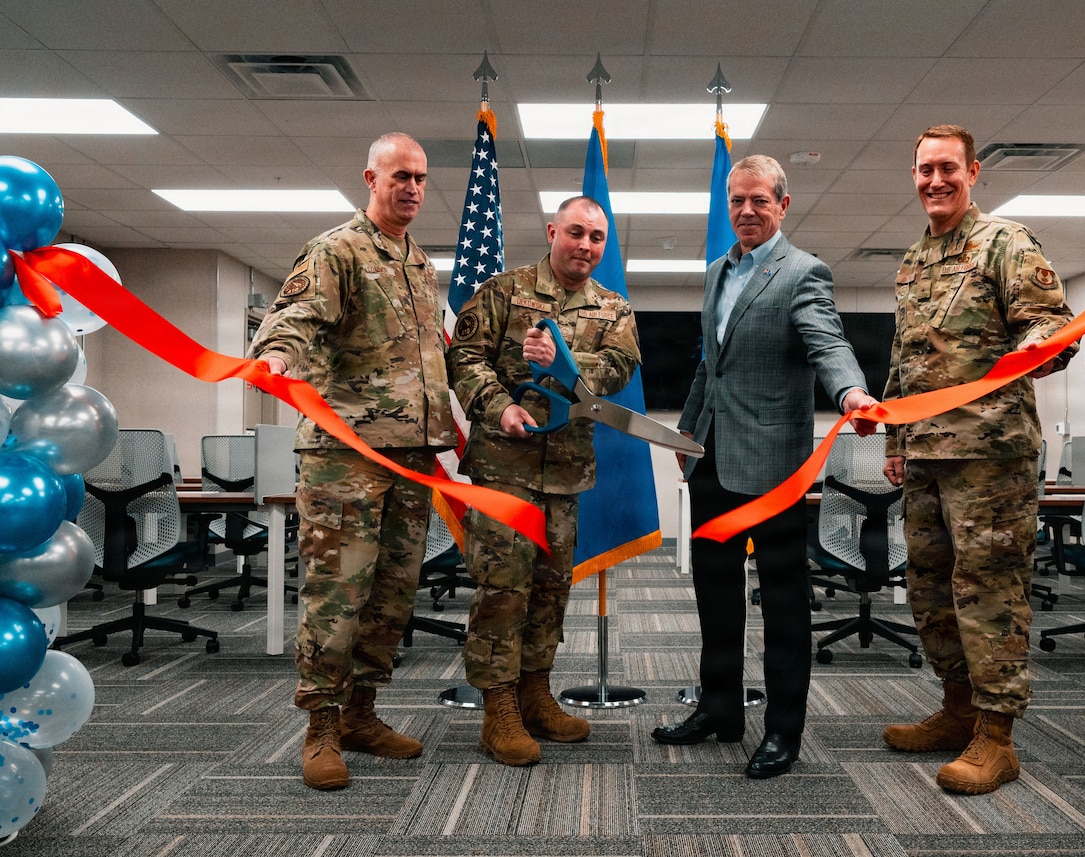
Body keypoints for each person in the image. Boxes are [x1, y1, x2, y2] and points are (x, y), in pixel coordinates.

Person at [651, 155, 878, 779]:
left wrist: (851, 393)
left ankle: (783, 732)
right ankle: (719, 710)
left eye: (759, 201)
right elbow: (710, 363)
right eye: (736, 201)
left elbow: (827, 343)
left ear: (782, 204)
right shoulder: (716, 273)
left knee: (783, 607)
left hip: (776, 468)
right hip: (712, 463)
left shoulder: (803, 273)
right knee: (714, 597)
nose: (746, 212)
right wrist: (689, 426)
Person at [249, 132, 456, 791]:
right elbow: (298, 315)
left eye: (421, 178)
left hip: (411, 459)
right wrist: (277, 356)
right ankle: (321, 727)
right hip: (346, 457)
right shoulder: (337, 249)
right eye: (401, 175)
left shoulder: (420, 264)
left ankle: (364, 711)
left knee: (391, 596)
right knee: (337, 596)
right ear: (371, 176)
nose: (413, 188)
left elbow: (425, 366)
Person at [880, 124, 1077, 795]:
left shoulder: (1005, 242)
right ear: (912, 176)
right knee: (931, 587)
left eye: (947, 168)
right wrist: (893, 439)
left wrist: (1037, 348)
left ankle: (997, 737)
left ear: (973, 171)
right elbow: (904, 359)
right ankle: (957, 707)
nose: (935, 180)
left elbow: (1051, 324)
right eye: (924, 169)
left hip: (990, 456)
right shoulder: (912, 261)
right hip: (927, 455)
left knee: (988, 590)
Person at [447, 195, 641, 767]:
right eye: (576, 233)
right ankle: (498, 708)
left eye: (597, 238)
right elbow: (465, 360)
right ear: (553, 231)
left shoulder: (614, 308)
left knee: (551, 590)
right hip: (503, 467)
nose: (586, 246)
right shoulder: (503, 292)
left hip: (565, 475)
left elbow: (618, 369)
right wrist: (498, 405)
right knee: (503, 589)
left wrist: (564, 360)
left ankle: (535, 692)